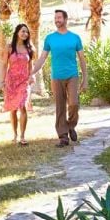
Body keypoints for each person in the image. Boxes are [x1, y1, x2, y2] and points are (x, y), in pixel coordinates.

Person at [30, 9, 88, 147]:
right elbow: (42, 58)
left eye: (59, 17)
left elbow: (82, 59)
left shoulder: (75, 38)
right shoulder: (50, 38)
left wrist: (85, 79)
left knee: (73, 103)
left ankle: (71, 125)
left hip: (72, 75)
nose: (57, 20)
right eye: (55, 18)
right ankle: (63, 136)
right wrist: (32, 72)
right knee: (60, 107)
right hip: (56, 77)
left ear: (65, 19)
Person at [2, 23, 34, 145]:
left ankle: (22, 136)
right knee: (13, 109)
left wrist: (32, 76)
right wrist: (2, 81)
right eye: (23, 31)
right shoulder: (9, 47)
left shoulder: (30, 49)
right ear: (17, 33)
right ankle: (15, 135)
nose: (25, 34)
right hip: (11, 81)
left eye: (27, 32)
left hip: (24, 81)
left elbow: (31, 66)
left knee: (23, 106)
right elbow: (5, 65)